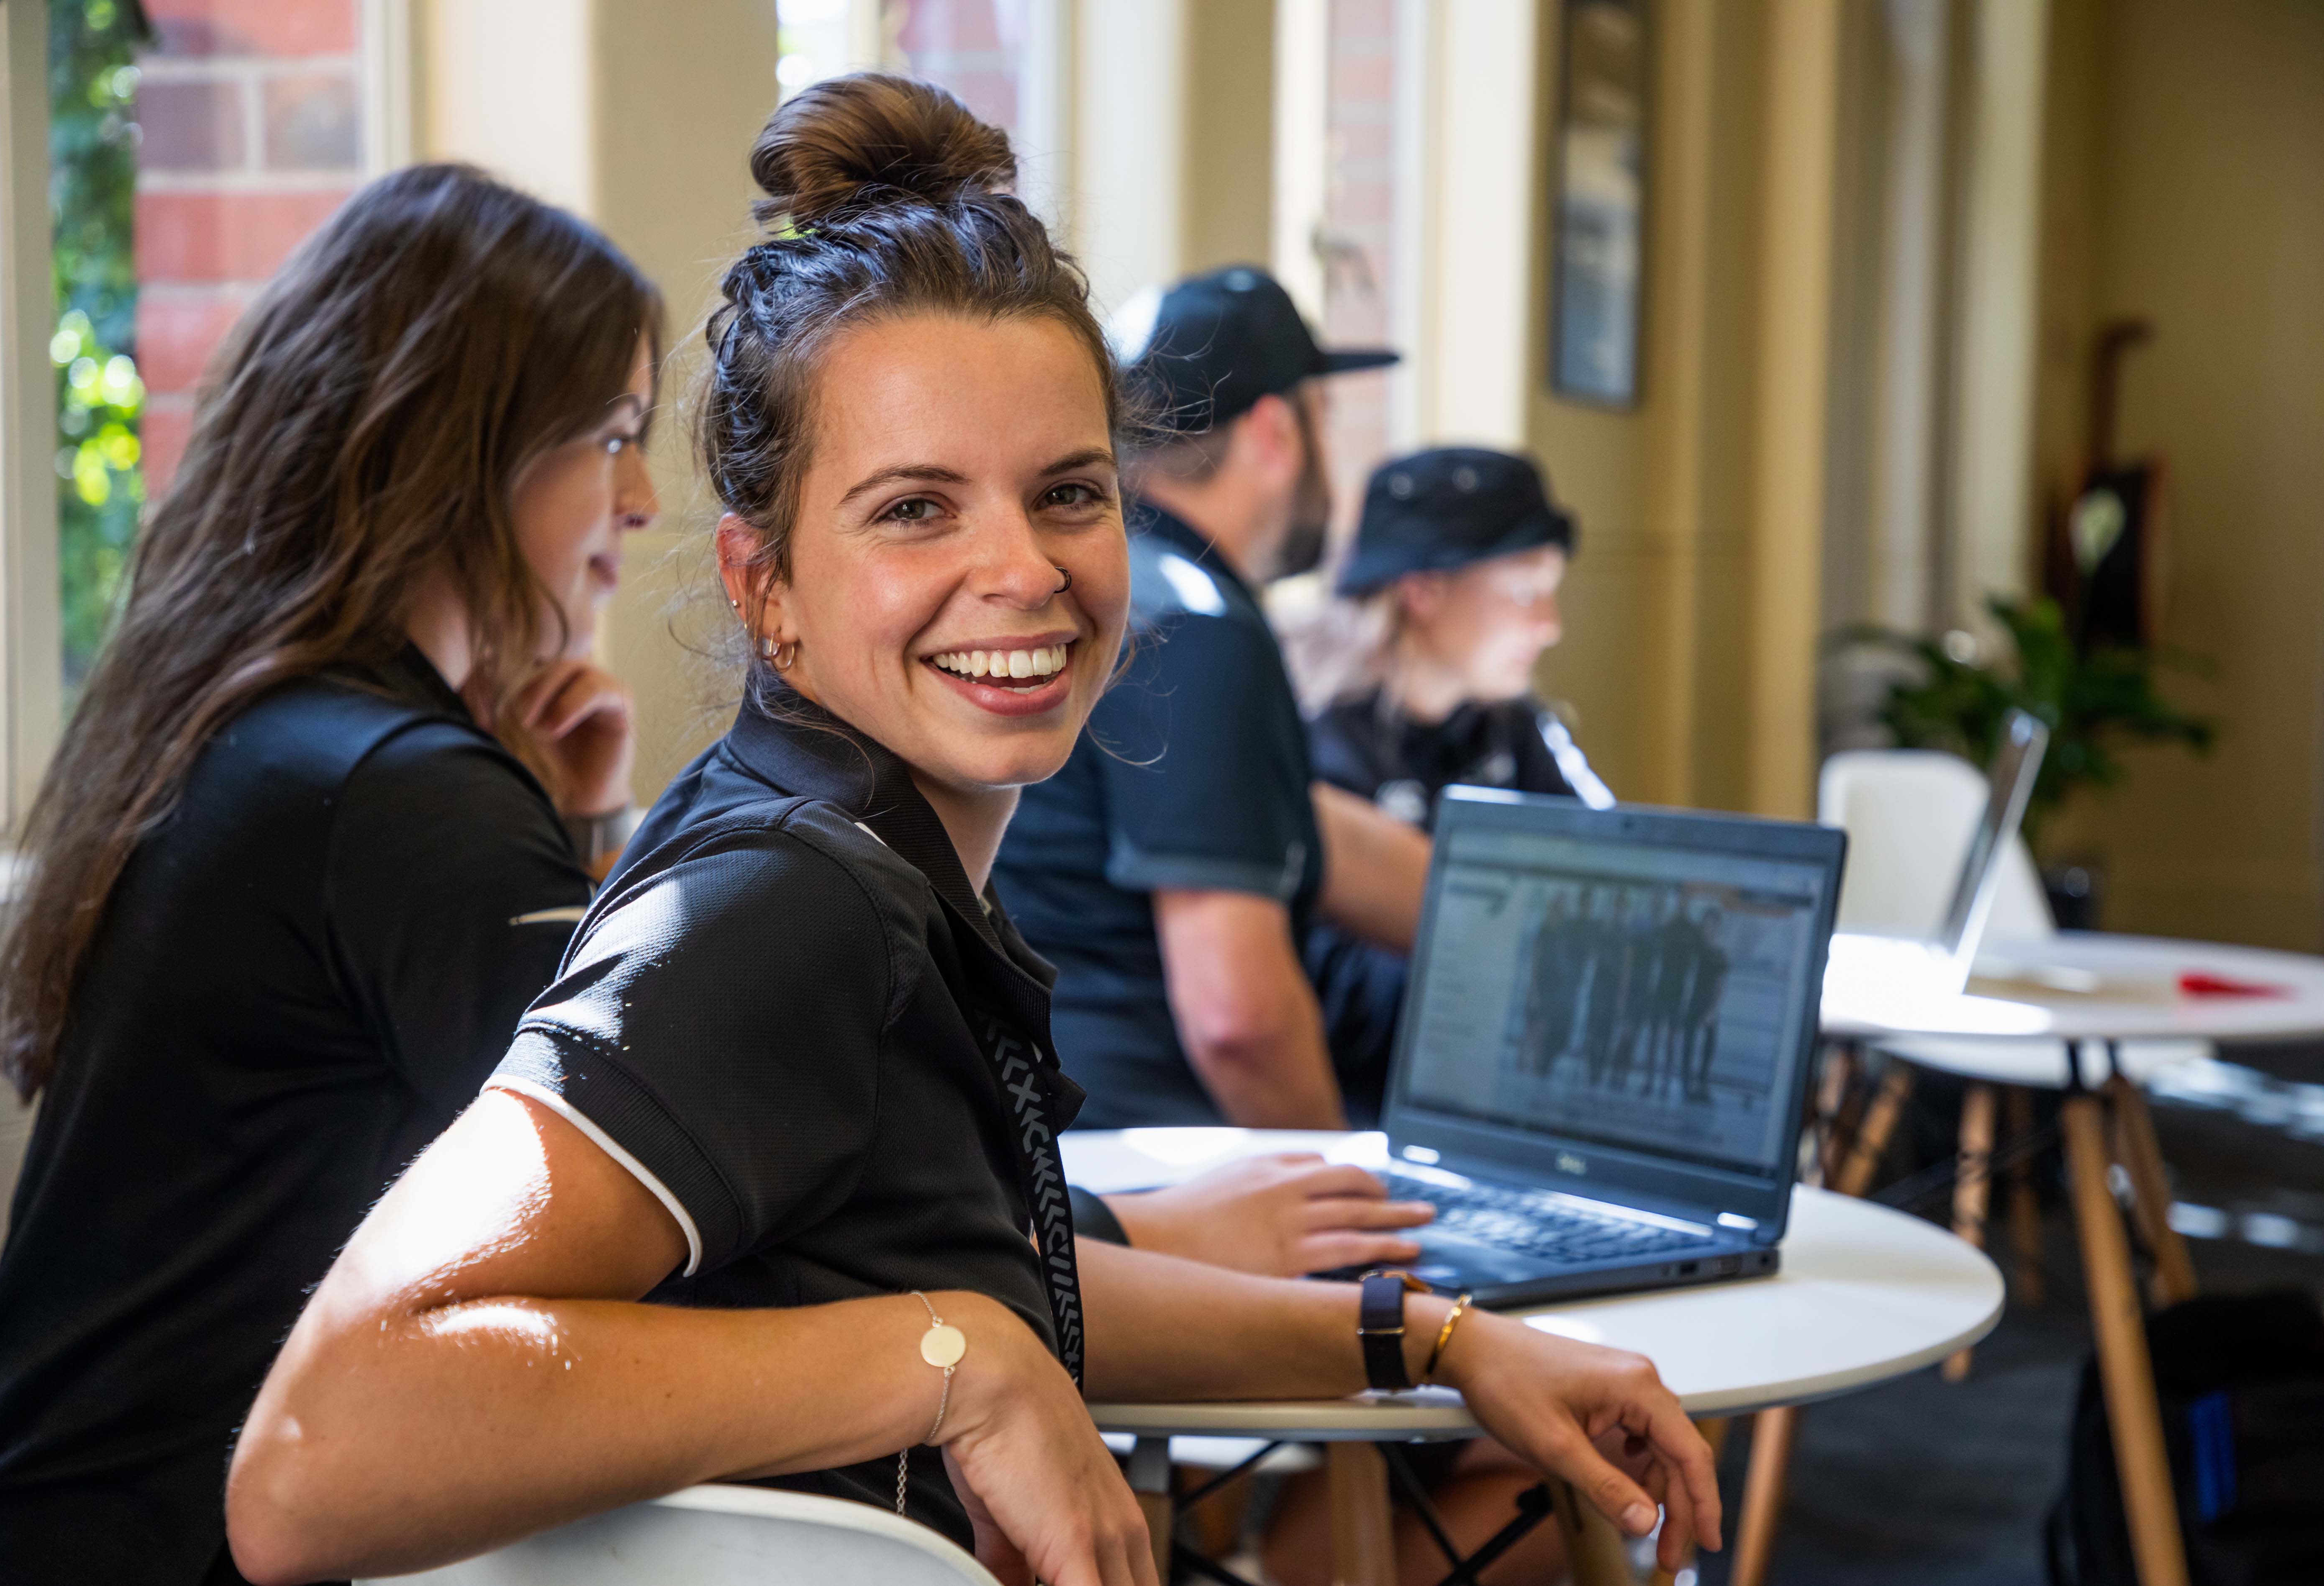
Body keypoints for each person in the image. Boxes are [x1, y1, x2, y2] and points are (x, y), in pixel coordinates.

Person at [223, 76, 1719, 1586]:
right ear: (766, 590)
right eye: (914, 510)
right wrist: (950, 1363)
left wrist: (1434, 1339)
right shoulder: (788, 910)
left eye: (1069, 492)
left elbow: (987, 1281)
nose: (1022, 570)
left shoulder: (846, 847)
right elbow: (317, 1455)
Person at [0, 165, 661, 1586]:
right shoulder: (399, 799)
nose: (641, 501)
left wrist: (576, 829)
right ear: (469, 448)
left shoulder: (277, 732)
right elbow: (655, 1207)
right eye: (614, 435)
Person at [991, 266, 1433, 1131]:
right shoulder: (1194, 626)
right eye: (1324, 418)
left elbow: (1282, 823)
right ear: (1275, 431)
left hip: (1039, 1145)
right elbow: (1240, 1021)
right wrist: (1352, 1208)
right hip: (1153, 1162)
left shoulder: (1114, 596)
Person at [1302, 447, 1615, 1105]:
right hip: (1362, 1108)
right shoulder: (1315, 737)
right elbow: (1324, 986)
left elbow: (1610, 865)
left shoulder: (1513, 725)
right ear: (1423, 592)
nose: (1550, 627)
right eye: (1525, 593)